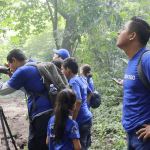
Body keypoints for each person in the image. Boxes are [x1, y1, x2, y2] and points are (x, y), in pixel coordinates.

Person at [0, 49, 53, 150]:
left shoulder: (22, 71)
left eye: (10, 64)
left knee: (37, 145)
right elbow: (33, 89)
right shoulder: (34, 64)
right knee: (42, 144)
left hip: (41, 114)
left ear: (14, 60)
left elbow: (2, 90)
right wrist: (15, 79)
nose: (10, 68)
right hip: (50, 110)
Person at [116, 16, 150, 149]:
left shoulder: (146, 58)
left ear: (132, 36)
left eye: (123, 29)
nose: (119, 32)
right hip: (131, 133)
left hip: (144, 137)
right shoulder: (133, 60)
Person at [61, 57, 93, 150]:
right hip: (87, 117)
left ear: (68, 70)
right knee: (84, 146)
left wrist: (73, 120)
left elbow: (78, 100)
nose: (62, 71)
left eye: (63, 69)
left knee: (80, 147)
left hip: (81, 120)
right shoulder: (80, 78)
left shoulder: (73, 81)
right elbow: (90, 92)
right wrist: (84, 105)